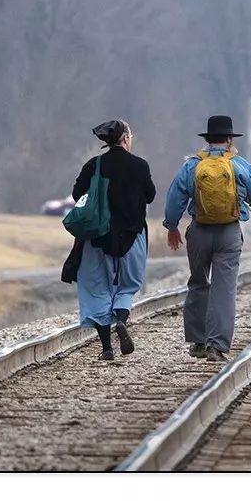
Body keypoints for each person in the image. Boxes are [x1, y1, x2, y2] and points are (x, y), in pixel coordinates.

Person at [163, 115, 251, 362]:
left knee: (199, 282)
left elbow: (174, 198)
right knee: (224, 289)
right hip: (229, 233)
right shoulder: (238, 164)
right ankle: (217, 346)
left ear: (207, 139)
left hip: (199, 230)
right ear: (230, 140)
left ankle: (198, 342)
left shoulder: (192, 166)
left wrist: (172, 226)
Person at [62, 120, 156, 360]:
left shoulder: (94, 165)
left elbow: (76, 194)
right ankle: (121, 321)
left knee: (98, 290)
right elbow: (151, 195)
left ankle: (106, 348)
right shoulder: (139, 165)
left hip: (97, 237)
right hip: (132, 236)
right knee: (127, 286)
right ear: (125, 138)